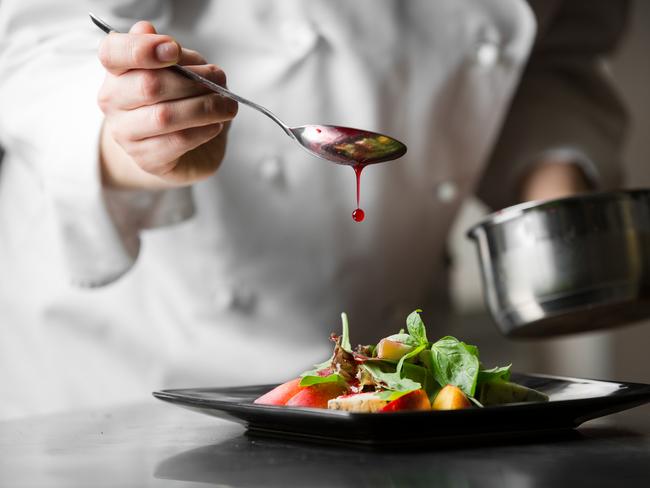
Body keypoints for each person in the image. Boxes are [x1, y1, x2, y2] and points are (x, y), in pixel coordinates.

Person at [0, 0, 628, 419]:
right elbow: (39, 41)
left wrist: (556, 192)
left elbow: (553, 54)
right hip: (134, 366)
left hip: (402, 367)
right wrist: (138, 135)